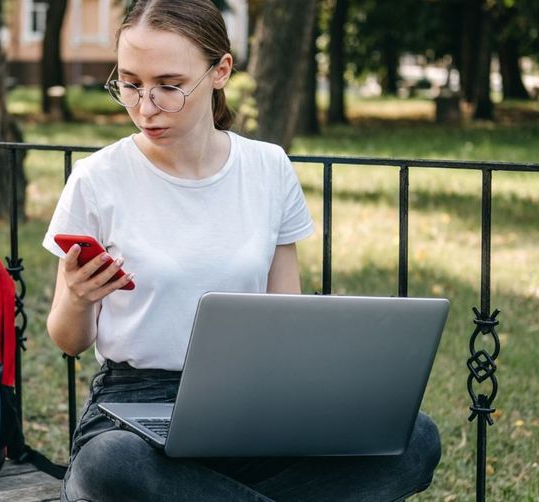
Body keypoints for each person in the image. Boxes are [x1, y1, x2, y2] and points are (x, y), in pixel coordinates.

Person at [42, 1, 440, 500]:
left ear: (220, 71)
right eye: (129, 83)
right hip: (135, 406)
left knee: (415, 438)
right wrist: (78, 298)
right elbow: (67, 340)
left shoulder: (268, 168)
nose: (145, 106)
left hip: (250, 403)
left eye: (168, 85)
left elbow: (284, 313)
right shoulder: (97, 180)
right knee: (107, 465)